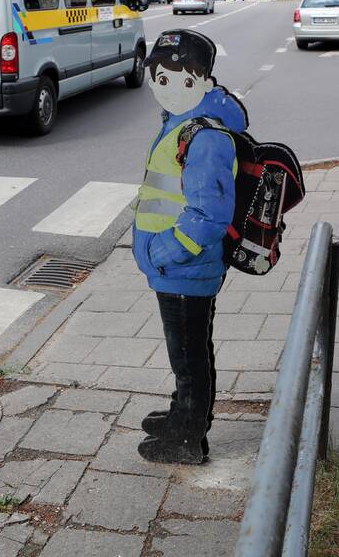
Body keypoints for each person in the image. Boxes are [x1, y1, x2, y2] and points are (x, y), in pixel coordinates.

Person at [132, 29, 248, 465]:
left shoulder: (206, 136)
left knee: (190, 356)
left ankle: (188, 437)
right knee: (183, 351)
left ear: (203, 81)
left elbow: (209, 214)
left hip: (185, 268)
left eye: (183, 80)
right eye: (161, 79)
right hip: (174, 269)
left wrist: (166, 251)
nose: (170, 90)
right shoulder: (179, 123)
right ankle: (182, 412)